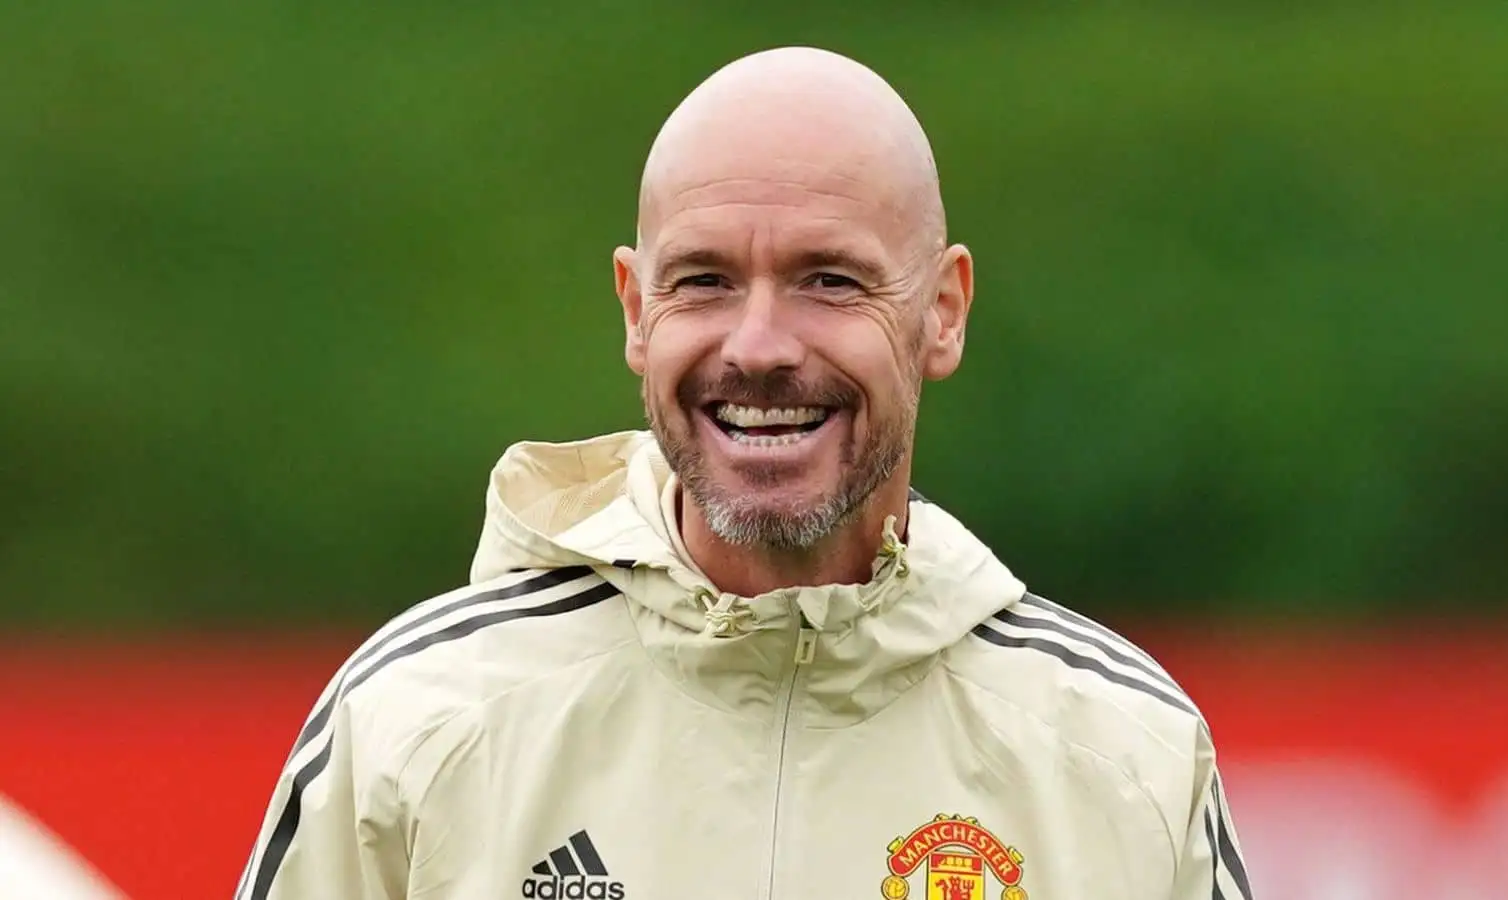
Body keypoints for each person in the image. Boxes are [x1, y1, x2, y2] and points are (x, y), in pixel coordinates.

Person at [235, 46, 1253, 900]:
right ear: (636, 310)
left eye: (828, 280)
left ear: (941, 310)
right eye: (705, 282)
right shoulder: (414, 725)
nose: (758, 345)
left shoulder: (1123, 757)